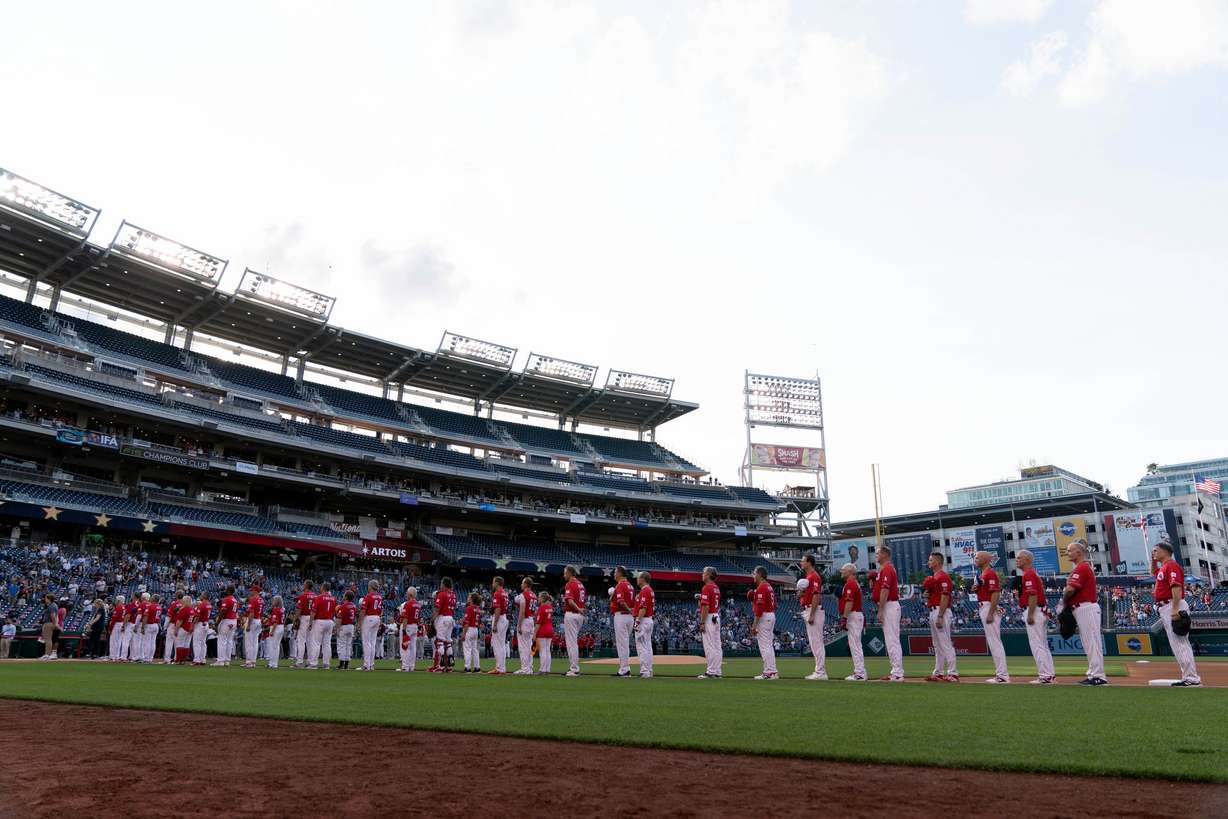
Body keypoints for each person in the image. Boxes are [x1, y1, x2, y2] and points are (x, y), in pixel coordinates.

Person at [1152, 541, 1201, 687]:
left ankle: (1191, 678)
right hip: (1167, 606)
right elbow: (1154, 572)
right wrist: (1152, 560)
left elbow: (1176, 588)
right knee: (1178, 644)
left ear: (1164, 551)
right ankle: (1189, 677)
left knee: (1180, 644)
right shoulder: (1164, 567)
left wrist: (1174, 609)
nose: (1153, 553)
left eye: (1155, 550)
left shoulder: (1172, 565)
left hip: (1173, 605)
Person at [1062, 539, 1107, 686]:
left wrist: (1063, 600)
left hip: (1086, 608)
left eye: (1070, 550)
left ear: (1079, 552)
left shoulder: (1082, 567)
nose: (1067, 552)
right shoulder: (1080, 568)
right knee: (1089, 643)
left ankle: (1098, 676)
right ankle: (1093, 673)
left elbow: (1070, 589)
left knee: (1092, 643)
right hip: (1081, 608)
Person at [1015, 550, 1055, 684]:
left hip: (1035, 611)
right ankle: (1049, 674)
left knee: (1037, 644)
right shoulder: (1031, 573)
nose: (1017, 560)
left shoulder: (1029, 573)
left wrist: (1030, 614)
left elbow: (1033, 595)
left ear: (1027, 560)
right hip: (1039, 610)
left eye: (1019, 558)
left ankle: (1044, 675)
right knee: (1042, 644)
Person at [974, 550, 1009, 684]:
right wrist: (976, 589)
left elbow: (995, 594)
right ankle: (1001, 674)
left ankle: (1002, 676)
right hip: (985, 605)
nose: (975, 559)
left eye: (978, 557)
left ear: (985, 559)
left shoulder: (990, 573)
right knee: (993, 642)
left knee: (995, 643)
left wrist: (990, 613)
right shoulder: (983, 573)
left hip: (989, 607)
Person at [923, 552, 957, 683]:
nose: (929, 562)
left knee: (945, 643)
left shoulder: (943, 576)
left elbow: (945, 596)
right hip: (933, 610)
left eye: (931, 560)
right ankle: (938, 672)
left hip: (940, 611)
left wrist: (941, 616)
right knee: (937, 645)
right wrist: (928, 595)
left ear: (937, 562)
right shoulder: (935, 576)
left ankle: (953, 673)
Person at [798, 554, 826, 681]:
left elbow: (816, 595)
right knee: (815, 643)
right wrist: (801, 593)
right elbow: (809, 594)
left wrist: (813, 614)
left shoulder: (814, 576)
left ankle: (820, 672)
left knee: (817, 643)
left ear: (809, 562)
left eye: (803, 560)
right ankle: (819, 670)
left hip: (813, 610)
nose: (801, 562)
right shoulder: (808, 577)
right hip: (808, 608)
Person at [750, 566, 778, 681]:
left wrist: (754, 625)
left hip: (765, 616)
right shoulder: (769, 587)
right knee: (768, 645)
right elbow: (775, 604)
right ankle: (772, 671)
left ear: (760, 574)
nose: (753, 575)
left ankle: (769, 672)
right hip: (770, 614)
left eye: (754, 573)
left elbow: (759, 609)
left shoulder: (762, 587)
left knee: (765, 646)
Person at [840, 563, 866, 681]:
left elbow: (849, 602)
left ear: (850, 572)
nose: (841, 571)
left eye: (844, 570)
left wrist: (844, 618)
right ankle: (860, 671)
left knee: (855, 646)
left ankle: (859, 673)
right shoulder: (851, 583)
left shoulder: (850, 584)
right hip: (856, 614)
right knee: (855, 645)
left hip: (853, 615)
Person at [697, 567, 722, 679]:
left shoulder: (706, 587)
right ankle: (717, 671)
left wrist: (702, 622)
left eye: (704, 573)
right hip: (716, 616)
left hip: (709, 617)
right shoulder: (716, 587)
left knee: (709, 646)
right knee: (717, 646)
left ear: (709, 574)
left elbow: (706, 607)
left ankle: (711, 671)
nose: (702, 574)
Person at [561, 565, 587, 678]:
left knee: (571, 643)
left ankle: (574, 669)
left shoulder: (570, 584)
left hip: (572, 614)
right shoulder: (581, 584)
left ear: (570, 573)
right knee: (573, 642)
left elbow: (570, 601)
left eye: (565, 572)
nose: (564, 575)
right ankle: (574, 667)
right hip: (579, 616)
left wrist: (578, 609)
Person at [610, 566, 635, 678]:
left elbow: (621, 601)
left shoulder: (621, 584)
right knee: (625, 643)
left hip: (622, 615)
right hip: (629, 617)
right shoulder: (630, 585)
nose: (614, 574)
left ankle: (624, 669)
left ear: (620, 573)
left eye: (615, 572)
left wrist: (629, 609)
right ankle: (626, 668)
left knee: (622, 644)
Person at [307, 583, 337, 670]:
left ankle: (313, 663)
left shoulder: (319, 597)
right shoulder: (333, 598)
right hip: (330, 621)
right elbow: (334, 611)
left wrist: (310, 622)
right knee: (327, 644)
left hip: (319, 621)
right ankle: (326, 663)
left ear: (323, 588)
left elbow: (313, 611)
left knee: (316, 643)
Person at [431, 578, 457, 673]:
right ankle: (449, 666)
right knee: (448, 642)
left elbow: (437, 609)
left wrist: (432, 620)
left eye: (441, 583)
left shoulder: (441, 594)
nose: (440, 585)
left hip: (443, 618)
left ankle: (440, 666)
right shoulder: (453, 594)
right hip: (450, 618)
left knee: (440, 641)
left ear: (444, 584)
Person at [633, 571, 655, 679]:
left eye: (638, 577)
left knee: (642, 647)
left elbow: (643, 607)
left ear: (643, 579)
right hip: (648, 620)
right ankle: (649, 670)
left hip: (643, 620)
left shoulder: (645, 590)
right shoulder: (649, 590)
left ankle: (644, 671)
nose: (637, 579)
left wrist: (637, 621)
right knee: (648, 647)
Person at [514, 577, 538, 675]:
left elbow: (522, 611)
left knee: (523, 646)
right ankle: (530, 667)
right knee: (531, 646)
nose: (521, 584)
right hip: (531, 620)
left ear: (526, 584)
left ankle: (525, 669)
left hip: (525, 620)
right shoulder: (534, 595)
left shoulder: (524, 595)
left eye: (522, 583)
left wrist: (519, 626)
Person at [359, 580, 383, 672]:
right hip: (377, 617)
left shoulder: (368, 596)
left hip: (369, 617)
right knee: (372, 642)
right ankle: (371, 664)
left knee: (366, 642)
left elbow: (363, 610)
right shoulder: (380, 597)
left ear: (371, 587)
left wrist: (360, 622)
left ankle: (366, 665)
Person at [292, 580, 317, 668]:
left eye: (304, 584)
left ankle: (299, 662)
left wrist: (295, 619)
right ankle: (310, 661)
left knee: (301, 640)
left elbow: (299, 609)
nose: (303, 586)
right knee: (310, 641)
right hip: (312, 619)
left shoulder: (302, 596)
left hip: (304, 618)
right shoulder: (315, 596)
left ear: (306, 586)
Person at [488, 576, 510, 675]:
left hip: (500, 619)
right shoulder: (505, 593)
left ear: (497, 583)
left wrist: (495, 624)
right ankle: (502, 667)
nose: (492, 584)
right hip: (504, 618)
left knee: (497, 645)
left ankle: (499, 668)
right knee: (501, 645)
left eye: (493, 582)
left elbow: (497, 609)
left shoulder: (497, 593)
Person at [397, 588, 422, 672]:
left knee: (404, 647)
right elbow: (418, 618)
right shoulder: (418, 604)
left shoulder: (408, 604)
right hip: (415, 626)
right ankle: (411, 666)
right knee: (413, 647)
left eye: (407, 593)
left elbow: (405, 618)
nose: (406, 595)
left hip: (408, 626)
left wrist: (404, 630)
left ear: (410, 594)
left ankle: (405, 666)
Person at [214, 585, 239, 667]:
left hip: (227, 620)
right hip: (234, 620)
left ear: (228, 590)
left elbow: (223, 611)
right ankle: (227, 660)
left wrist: (217, 622)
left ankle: (220, 661)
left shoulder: (226, 599)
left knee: (222, 640)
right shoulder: (235, 600)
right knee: (229, 641)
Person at [241, 588, 264, 669]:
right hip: (259, 620)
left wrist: (248, 625)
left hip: (253, 621)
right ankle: (253, 661)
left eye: (252, 590)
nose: (250, 591)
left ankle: (249, 662)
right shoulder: (261, 599)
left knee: (249, 642)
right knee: (255, 642)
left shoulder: (253, 599)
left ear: (255, 591)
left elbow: (251, 613)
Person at [533, 591, 555, 675]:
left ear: (542, 598)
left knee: (542, 651)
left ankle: (542, 669)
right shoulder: (549, 607)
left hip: (542, 630)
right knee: (547, 651)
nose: (538, 598)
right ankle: (547, 669)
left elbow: (538, 623)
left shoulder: (541, 608)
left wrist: (534, 634)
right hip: (550, 630)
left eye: (539, 597)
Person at [335, 591, 357, 670]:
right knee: (348, 645)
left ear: (346, 597)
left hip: (344, 626)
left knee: (342, 645)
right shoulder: (354, 606)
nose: (343, 596)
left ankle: (341, 664)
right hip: (351, 626)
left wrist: (337, 629)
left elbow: (340, 618)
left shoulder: (343, 606)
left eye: (344, 595)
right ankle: (347, 664)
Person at [460, 591, 481, 673]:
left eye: (469, 597)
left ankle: (467, 668)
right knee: (475, 649)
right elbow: (478, 622)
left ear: (472, 599)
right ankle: (477, 667)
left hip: (469, 629)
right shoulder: (478, 608)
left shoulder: (469, 608)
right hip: (475, 629)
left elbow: (467, 622)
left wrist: (463, 634)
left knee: (467, 649)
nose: (468, 598)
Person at [175, 594, 196, 664]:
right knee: (186, 644)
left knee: (179, 644)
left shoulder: (183, 609)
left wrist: (176, 630)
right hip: (189, 628)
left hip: (183, 628)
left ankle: (179, 660)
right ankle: (183, 660)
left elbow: (179, 621)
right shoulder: (192, 609)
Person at [192, 592, 212, 665]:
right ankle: (202, 659)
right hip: (206, 623)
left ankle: (197, 660)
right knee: (203, 643)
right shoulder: (209, 604)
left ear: (204, 596)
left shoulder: (202, 604)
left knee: (197, 642)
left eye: (201, 595)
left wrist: (192, 625)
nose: (200, 596)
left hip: (200, 624)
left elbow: (197, 617)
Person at [38, 593, 58, 660]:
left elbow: (53, 616)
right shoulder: (53, 605)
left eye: (46, 598)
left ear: (49, 598)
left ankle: (47, 654)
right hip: (50, 623)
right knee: (48, 639)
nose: (45, 599)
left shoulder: (51, 606)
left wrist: (55, 624)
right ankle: (47, 654)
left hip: (48, 623)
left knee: (48, 639)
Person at [107, 595, 126, 662]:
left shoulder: (119, 607)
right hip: (121, 623)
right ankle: (116, 656)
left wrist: (110, 628)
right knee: (119, 641)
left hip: (117, 624)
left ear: (118, 600)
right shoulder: (124, 607)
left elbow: (114, 619)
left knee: (113, 641)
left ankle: (112, 656)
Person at [162, 596, 181, 664]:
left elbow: (169, 616)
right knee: (178, 643)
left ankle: (167, 659)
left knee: (169, 642)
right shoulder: (185, 604)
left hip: (172, 624)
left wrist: (165, 627)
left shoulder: (174, 604)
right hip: (181, 625)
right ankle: (177, 659)